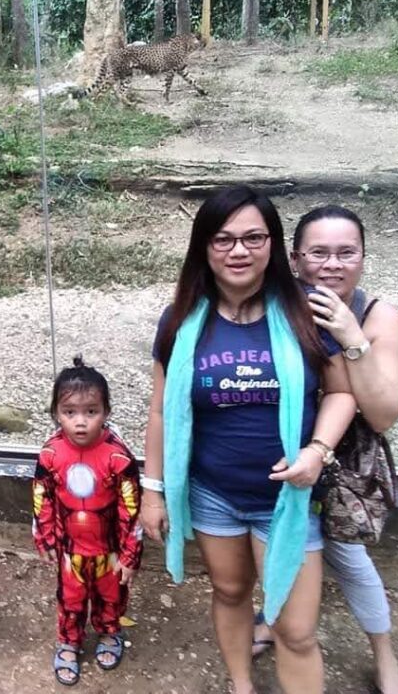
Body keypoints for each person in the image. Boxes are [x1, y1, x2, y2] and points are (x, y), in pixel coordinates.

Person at [140, 186, 357, 694]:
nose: (239, 251)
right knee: (231, 591)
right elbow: (159, 410)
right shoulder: (178, 322)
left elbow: (342, 395)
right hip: (213, 494)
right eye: (224, 239)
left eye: (254, 237)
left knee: (296, 630)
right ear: (204, 248)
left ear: (274, 245)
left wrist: (316, 452)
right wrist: (152, 489)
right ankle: (242, 684)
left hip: (289, 498)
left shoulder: (308, 312)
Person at [252, 205, 398, 694]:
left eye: (347, 253)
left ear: (363, 258)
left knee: (348, 560)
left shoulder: (377, 314)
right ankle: (274, 620)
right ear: (296, 259)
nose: (333, 264)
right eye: (319, 252)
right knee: (273, 546)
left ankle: (385, 657)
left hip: (340, 466)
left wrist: (350, 337)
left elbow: (382, 414)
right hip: (281, 455)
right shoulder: (275, 303)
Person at [32, 357, 143, 686]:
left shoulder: (118, 457)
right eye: (70, 413)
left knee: (111, 596)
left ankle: (109, 633)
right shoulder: (50, 454)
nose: (80, 422)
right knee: (70, 599)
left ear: (106, 412)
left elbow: (131, 508)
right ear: (56, 413)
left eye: (91, 411)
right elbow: (42, 497)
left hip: (108, 550)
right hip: (70, 551)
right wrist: (46, 538)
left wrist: (129, 554)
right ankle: (69, 641)